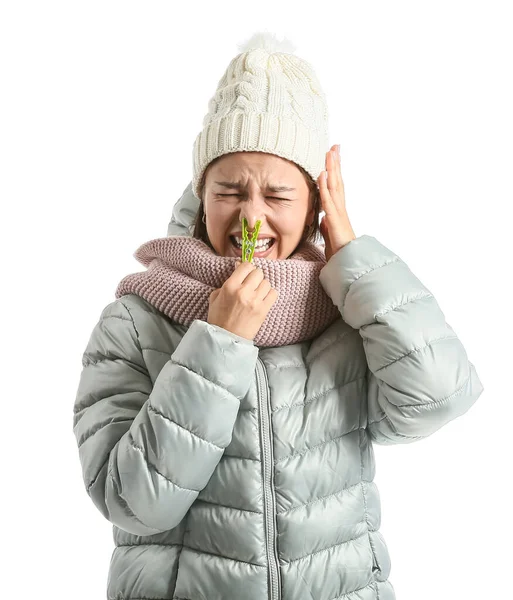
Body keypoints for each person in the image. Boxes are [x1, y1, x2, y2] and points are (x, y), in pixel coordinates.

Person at [72, 32, 484, 600]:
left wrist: (352, 258)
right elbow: (133, 501)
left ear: (315, 202)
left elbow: (438, 396)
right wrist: (216, 343)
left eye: (279, 194)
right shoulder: (135, 322)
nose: (252, 217)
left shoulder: (344, 316)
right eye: (230, 190)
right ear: (202, 192)